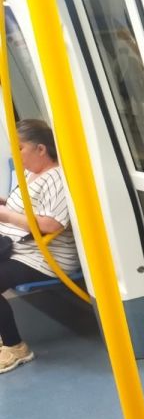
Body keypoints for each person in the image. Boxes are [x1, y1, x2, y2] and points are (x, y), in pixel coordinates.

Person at [0, 119, 77, 374]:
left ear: (41, 149)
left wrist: (6, 216)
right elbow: (19, 208)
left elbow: (52, 224)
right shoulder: (30, 174)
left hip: (43, 255)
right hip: (18, 246)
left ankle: (16, 348)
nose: (16, 155)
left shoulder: (55, 177)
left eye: (20, 148)